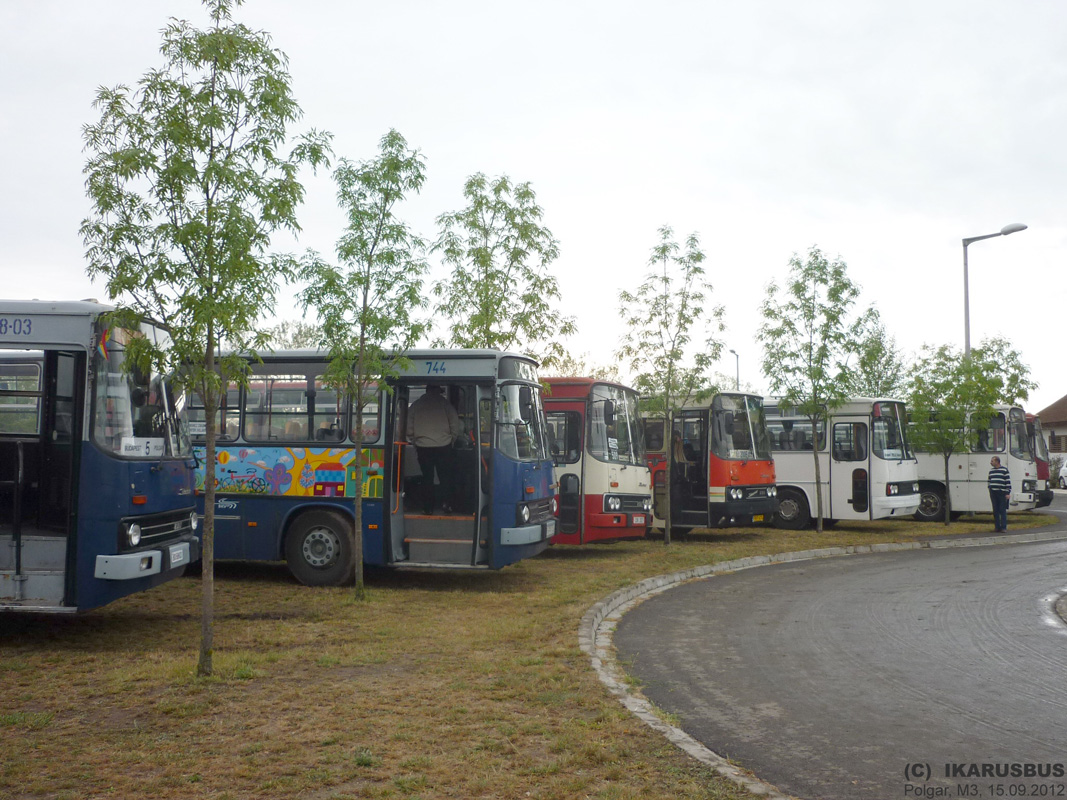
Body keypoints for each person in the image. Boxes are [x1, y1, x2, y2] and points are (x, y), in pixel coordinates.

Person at [406, 385, 462, 514]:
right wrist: (451, 439)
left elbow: (409, 427)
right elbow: (455, 424)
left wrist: (414, 441)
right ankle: (446, 504)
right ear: (437, 391)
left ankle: (428, 508)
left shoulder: (416, 405)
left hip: (423, 446)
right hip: (444, 445)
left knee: (427, 478)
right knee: (445, 477)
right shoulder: (446, 404)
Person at [987, 455, 1012, 532]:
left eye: (992, 461)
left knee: (1002, 510)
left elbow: (1007, 482)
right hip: (993, 492)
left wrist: (1007, 492)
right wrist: (990, 488)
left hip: (1001, 492)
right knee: (995, 510)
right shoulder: (991, 471)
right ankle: (997, 527)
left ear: (997, 462)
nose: (991, 462)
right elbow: (989, 480)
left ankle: (1003, 527)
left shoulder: (1004, 470)